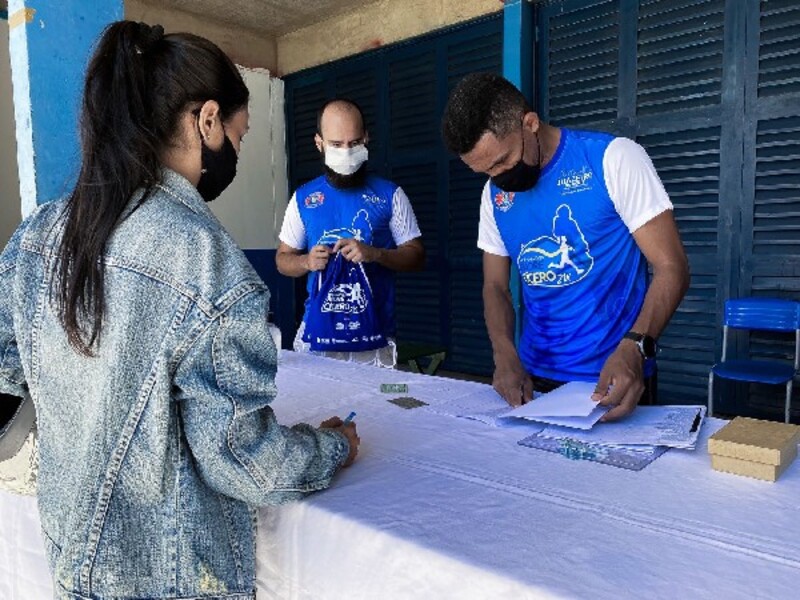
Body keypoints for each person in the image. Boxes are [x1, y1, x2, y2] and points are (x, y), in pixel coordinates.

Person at [0, 21, 359, 599]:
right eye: (239, 137)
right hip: (173, 578)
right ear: (208, 119)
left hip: (70, 559)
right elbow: (247, 462)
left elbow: (9, 372)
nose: (236, 152)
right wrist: (332, 446)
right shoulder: (208, 263)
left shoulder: (41, 232)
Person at [441, 73, 689, 421]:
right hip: (533, 380)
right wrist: (504, 353)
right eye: (485, 171)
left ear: (530, 123)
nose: (497, 178)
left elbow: (672, 268)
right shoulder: (493, 196)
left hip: (617, 375)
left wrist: (635, 345)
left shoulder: (613, 159)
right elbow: (495, 285)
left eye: (501, 161)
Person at [276, 98, 425, 367]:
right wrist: (306, 262)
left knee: (383, 403)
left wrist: (376, 254)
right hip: (316, 337)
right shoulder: (304, 198)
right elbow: (282, 259)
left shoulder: (390, 194)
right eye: (336, 145)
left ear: (366, 139)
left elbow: (416, 256)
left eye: (355, 143)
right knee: (314, 408)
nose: (346, 152)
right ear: (319, 143)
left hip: (375, 336)